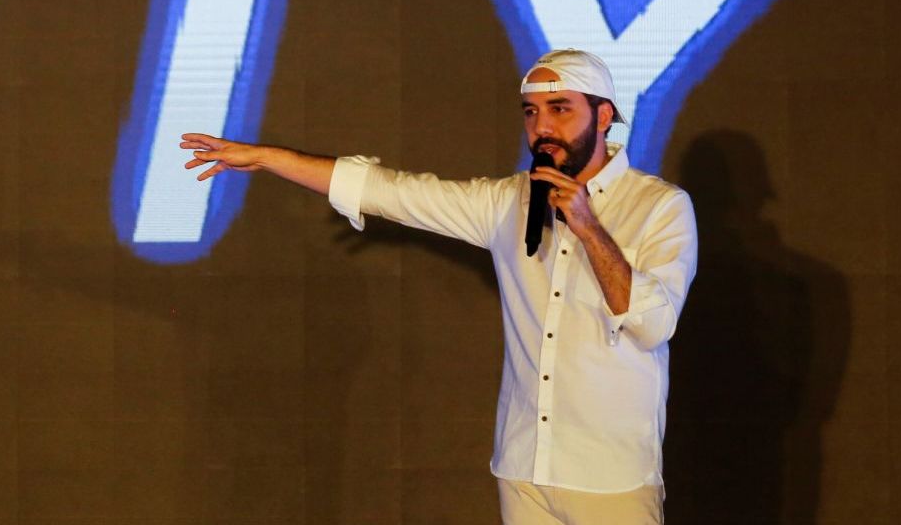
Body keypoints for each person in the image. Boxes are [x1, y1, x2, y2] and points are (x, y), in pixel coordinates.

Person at [182, 48, 698, 525]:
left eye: (559, 109)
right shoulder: (508, 201)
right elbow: (391, 192)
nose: (542, 127)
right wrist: (267, 159)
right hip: (524, 465)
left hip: (610, 475)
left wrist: (588, 228)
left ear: (604, 116)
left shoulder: (660, 207)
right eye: (530, 112)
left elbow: (653, 325)